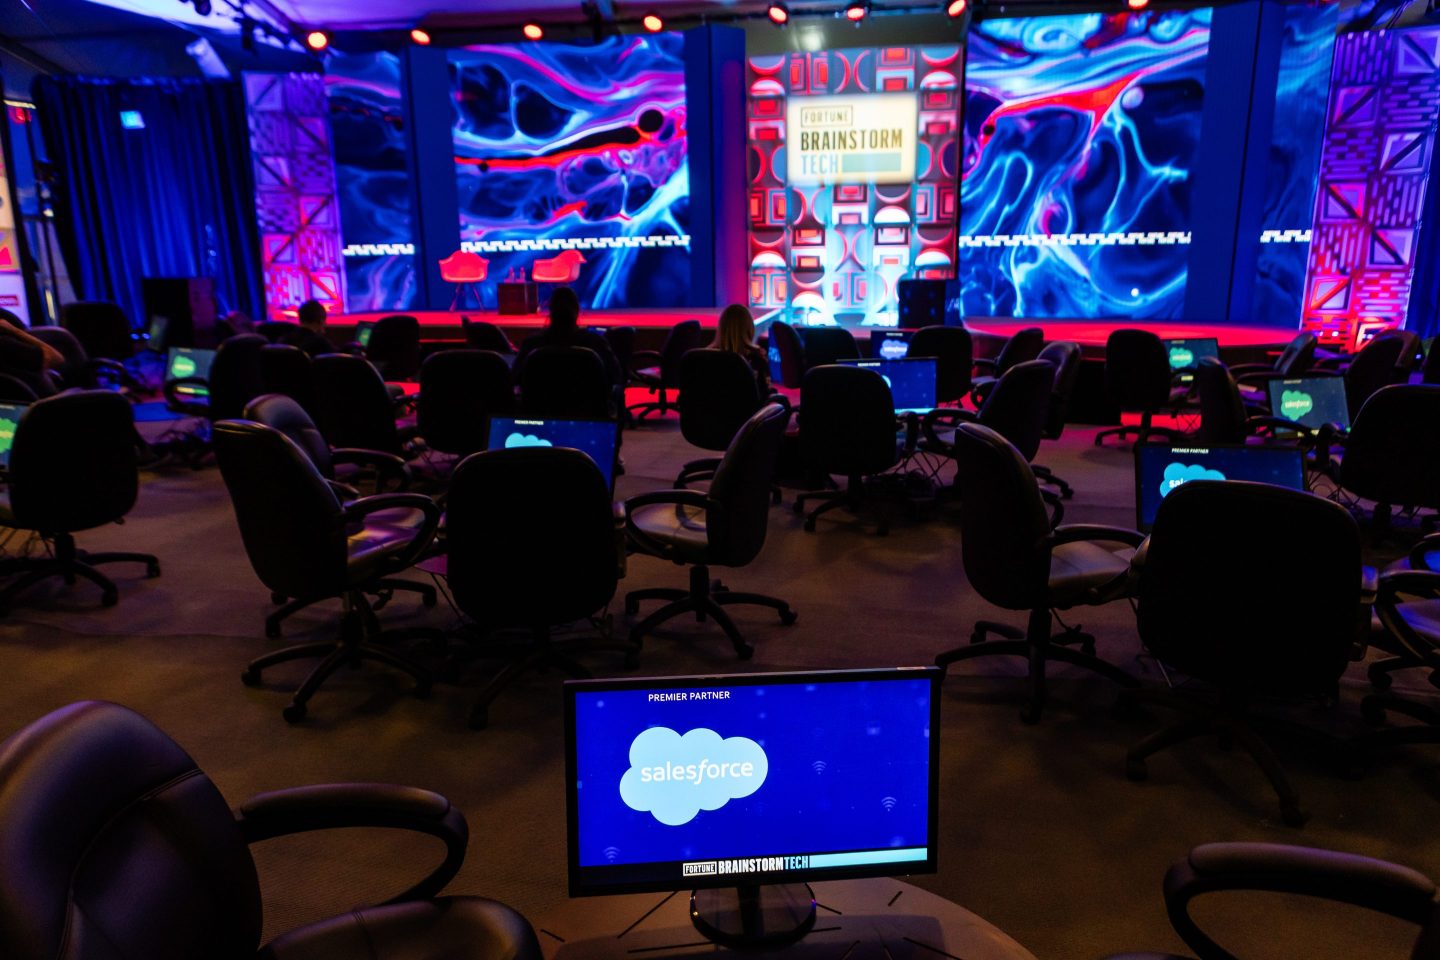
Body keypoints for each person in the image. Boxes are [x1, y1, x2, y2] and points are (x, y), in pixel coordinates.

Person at [513, 287, 623, 391]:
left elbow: (515, 377)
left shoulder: (532, 344)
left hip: (539, 409)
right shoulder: (596, 343)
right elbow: (616, 377)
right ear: (577, 311)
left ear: (550, 311)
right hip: (587, 409)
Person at [714, 303, 770, 397]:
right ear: (749, 328)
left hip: (711, 410)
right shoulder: (756, 357)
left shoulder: (704, 356)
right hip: (749, 411)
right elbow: (764, 394)